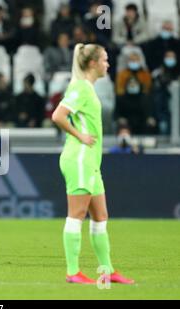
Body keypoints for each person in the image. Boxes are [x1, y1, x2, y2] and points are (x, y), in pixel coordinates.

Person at [51, 43, 134, 284]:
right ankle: (72, 271)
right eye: (105, 59)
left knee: (101, 216)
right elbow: (58, 115)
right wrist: (80, 136)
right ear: (92, 63)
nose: (108, 63)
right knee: (76, 215)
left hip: (90, 161)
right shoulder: (80, 88)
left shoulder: (87, 88)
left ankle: (107, 270)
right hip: (79, 158)